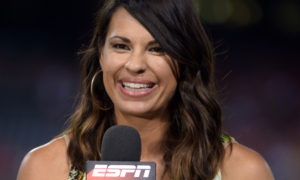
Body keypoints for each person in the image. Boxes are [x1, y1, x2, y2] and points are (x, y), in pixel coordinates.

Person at [17, 0, 274, 179]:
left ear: (186, 62)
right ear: (101, 57)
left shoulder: (243, 171)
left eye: (157, 49)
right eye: (121, 46)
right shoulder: (45, 168)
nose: (136, 65)